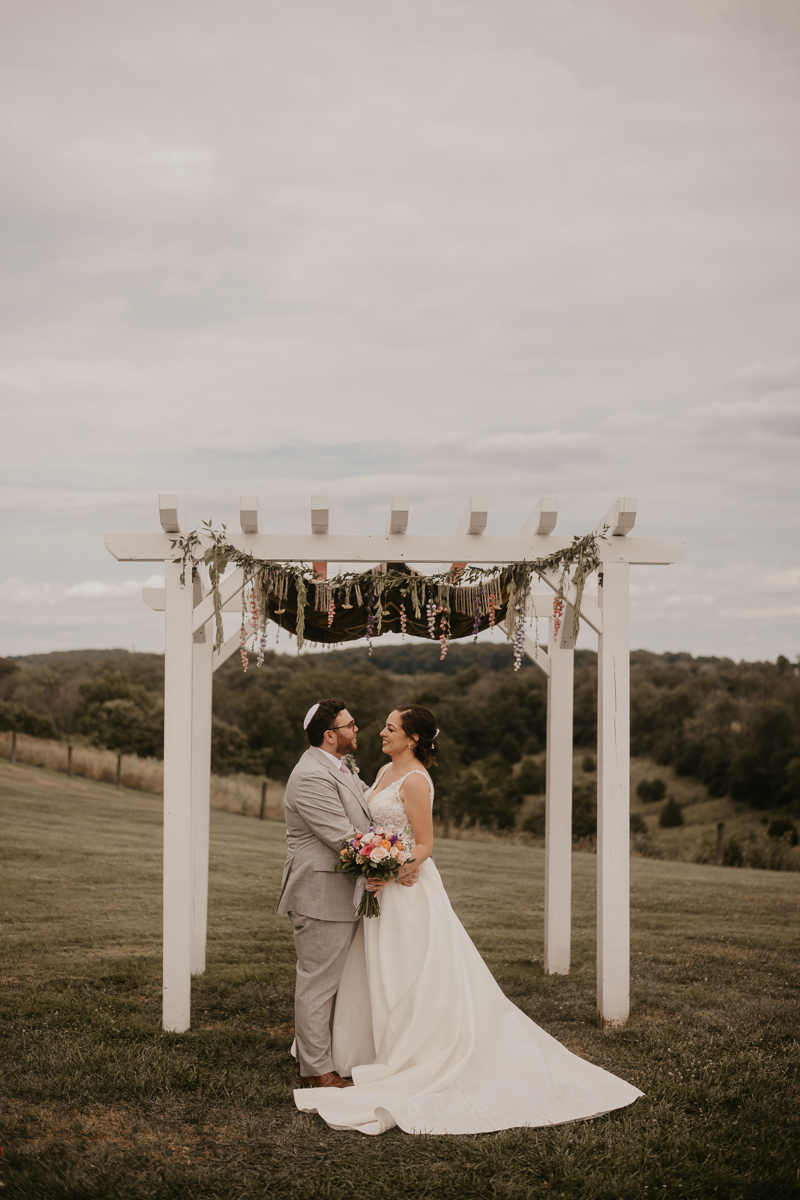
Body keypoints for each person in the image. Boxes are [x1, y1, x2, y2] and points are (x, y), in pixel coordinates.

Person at [294, 703, 644, 1135]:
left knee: (409, 973)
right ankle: (367, 1049)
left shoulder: (417, 781)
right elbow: (365, 830)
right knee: (374, 972)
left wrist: (391, 870)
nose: (379, 733)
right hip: (380, 890)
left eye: (390, 728)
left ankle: (413, 1054)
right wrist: (379, 867)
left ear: (413, 738)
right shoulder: (381, 774)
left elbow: (424, 845)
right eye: (379, 726)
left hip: (404, 892)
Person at [276, 697, 418, 1090]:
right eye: (350, 725)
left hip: (343, 891)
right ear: (329, 735)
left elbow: (368, 813)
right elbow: (344, 837)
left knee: (337, 983)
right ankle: (317, 1072)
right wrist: (393, 864)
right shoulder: (310, 776)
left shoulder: (339, 766)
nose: (358, 730)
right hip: (320, 892)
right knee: (318, 984)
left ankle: (329, 1054)